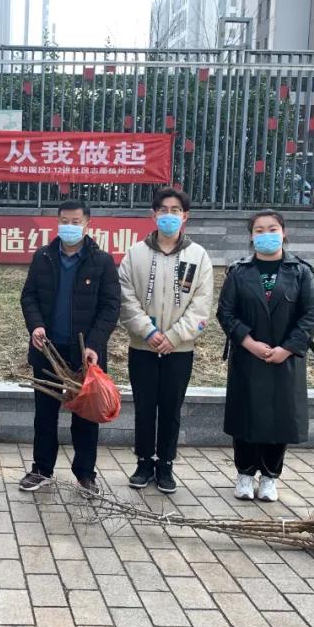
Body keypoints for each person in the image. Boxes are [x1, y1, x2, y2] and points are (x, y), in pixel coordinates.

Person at [217, 211, 314, 503]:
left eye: (272, 229)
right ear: (252, 236)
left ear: (284, 232)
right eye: (259, 230)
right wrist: (248, 342)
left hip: (285, 358)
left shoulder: (300, 272)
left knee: (280, 418)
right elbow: (225, 312)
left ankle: (270, 477)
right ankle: (244, 474)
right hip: (248, 356)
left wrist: (287, 348)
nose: (266, 235)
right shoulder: (238, 272)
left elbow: (311, 313)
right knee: (246, 416)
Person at [18, 199, 121, 495]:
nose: (69, 227)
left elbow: (110, 306)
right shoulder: (43, 257)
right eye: (64, 221)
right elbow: (29, 296)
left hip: (84, 355)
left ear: (87, 224)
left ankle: (85, 474)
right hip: (48, 350)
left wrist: (95, 344)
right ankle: (42, 469)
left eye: (76, 222)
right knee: (44, 414)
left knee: (86, 416)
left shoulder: (101, 261)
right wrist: (36, 325)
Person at [118, 187, 214, 495]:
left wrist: (173, 336)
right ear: (154, 215)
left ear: (185, 216)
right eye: (163, 210)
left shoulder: (198, 256)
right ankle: (144, 463)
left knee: (171, 408)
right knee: (144, 407)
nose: (169, 216)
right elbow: (126, 298)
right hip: (142, 347)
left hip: (179, 349)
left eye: (175, 211)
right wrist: (148, 332)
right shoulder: (135, 254)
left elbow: (201, 305)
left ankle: (166, 465)